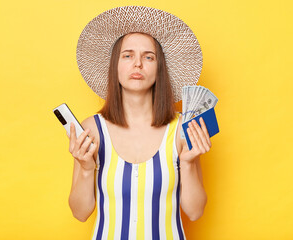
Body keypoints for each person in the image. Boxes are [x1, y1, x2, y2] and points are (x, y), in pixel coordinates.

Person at [68, 6, 211, 240]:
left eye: (148, 57)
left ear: (159, 68)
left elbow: (195, 212)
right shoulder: (92, 129)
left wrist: (188, 163)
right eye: (128, 55)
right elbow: (80, 213)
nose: (138, 64)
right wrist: (85, 169)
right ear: (115, 65)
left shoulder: (183, 129)